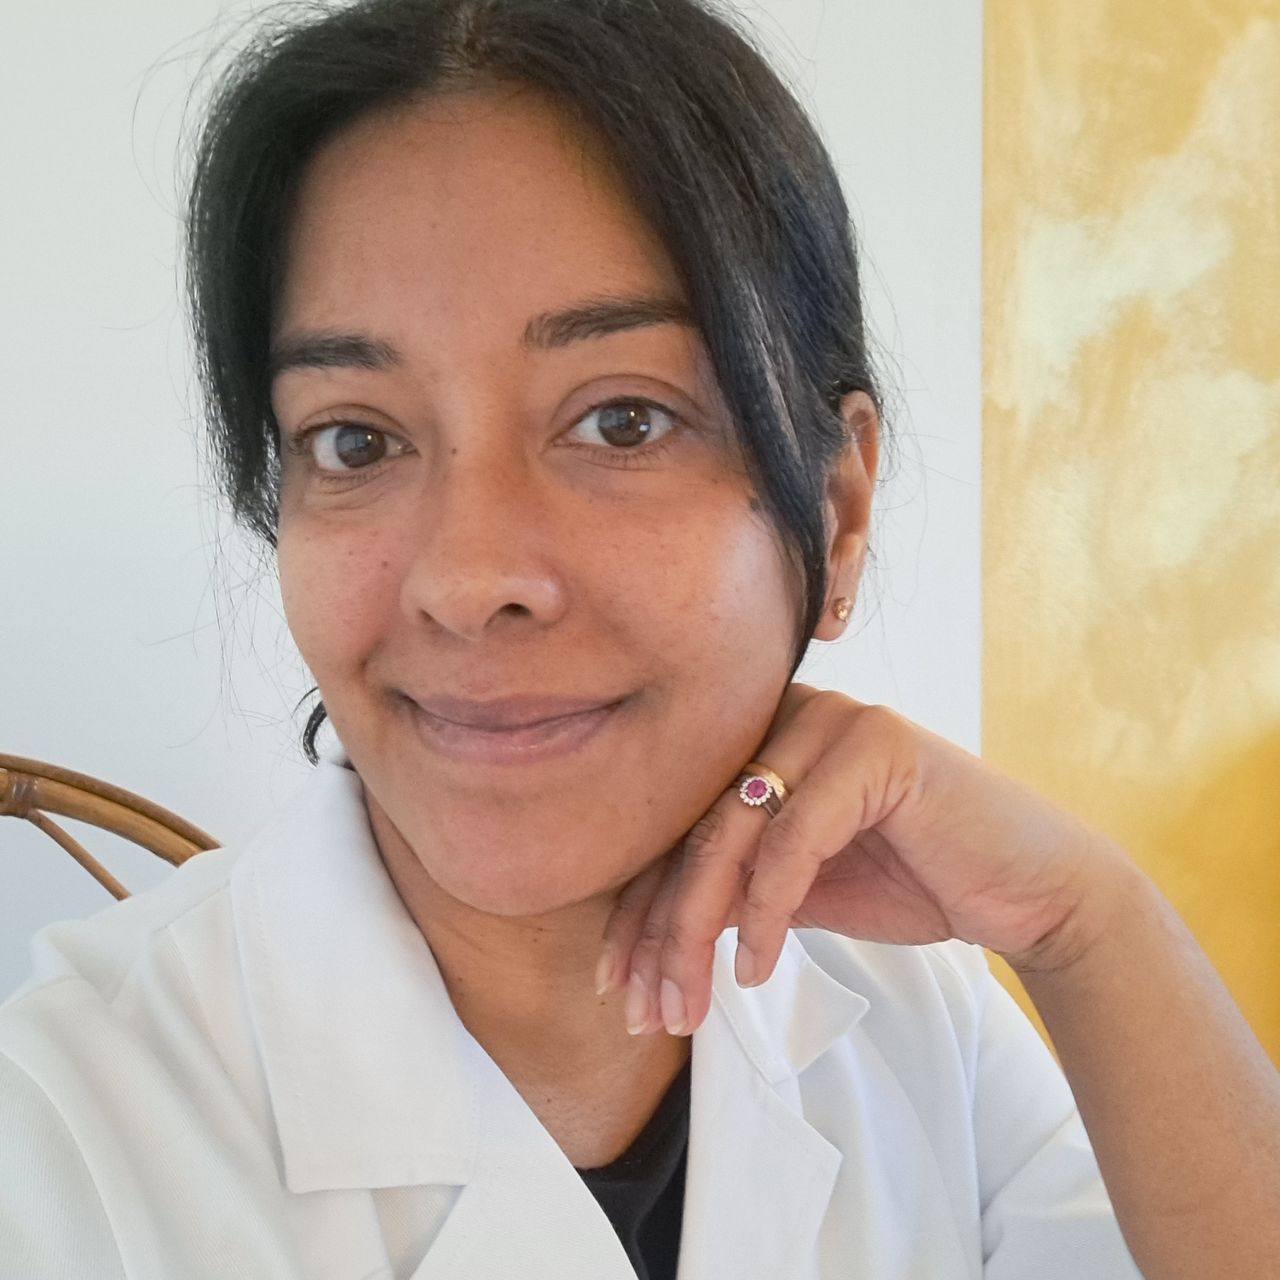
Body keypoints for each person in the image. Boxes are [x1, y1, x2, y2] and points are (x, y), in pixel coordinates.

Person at [1, 0, 1277, 1277]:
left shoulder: (903, 1004)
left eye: (621, 420)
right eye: (355, 438)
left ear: (836, 511)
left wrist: (1082, 924)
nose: (468, 580)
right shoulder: (62, 1130)